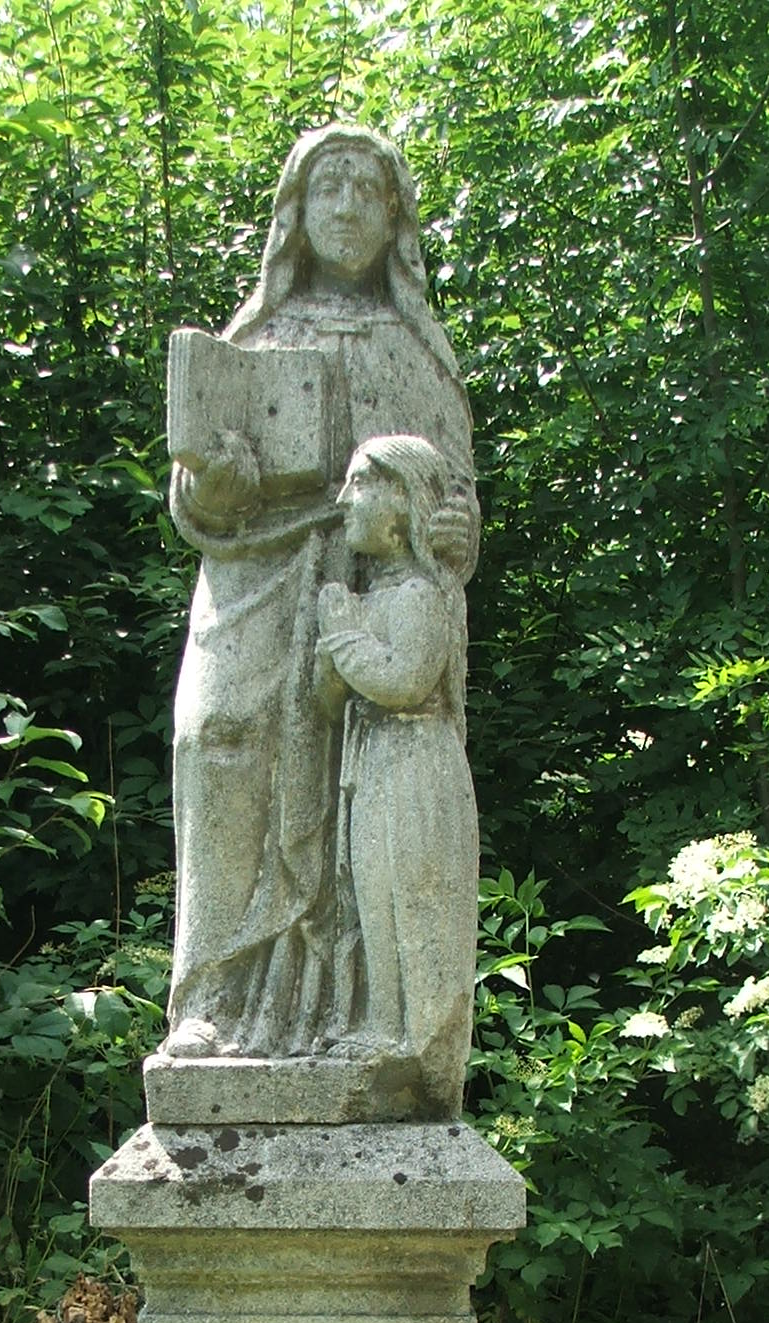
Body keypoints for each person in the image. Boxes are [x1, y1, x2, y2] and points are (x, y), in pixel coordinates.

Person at [164, 124, 478, 1060]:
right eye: (326, 189)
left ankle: (354, 1017)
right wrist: (212, 480)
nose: (345, 208)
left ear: (395, 217)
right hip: (254, 586)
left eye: (365, 190)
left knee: (364, 792)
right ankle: (212, 997)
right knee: (212, 738)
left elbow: (452, 496)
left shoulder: (415, 349)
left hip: (368, 597)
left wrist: (454, 530)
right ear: (294, 215)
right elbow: (195, 494)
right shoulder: (251, 336)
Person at [316, 436, 477, 1114]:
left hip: (418, 768)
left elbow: (406, 681)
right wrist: (336, 647)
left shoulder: (421, 595)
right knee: (372, 896)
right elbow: (328, 700)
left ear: (400, 504)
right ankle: (382, 1021)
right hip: (374, 763)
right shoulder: (370, 597)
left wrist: (345, 638)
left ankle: (417, 1038)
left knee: (413, 899)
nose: (343, 500)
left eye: (360, 484)